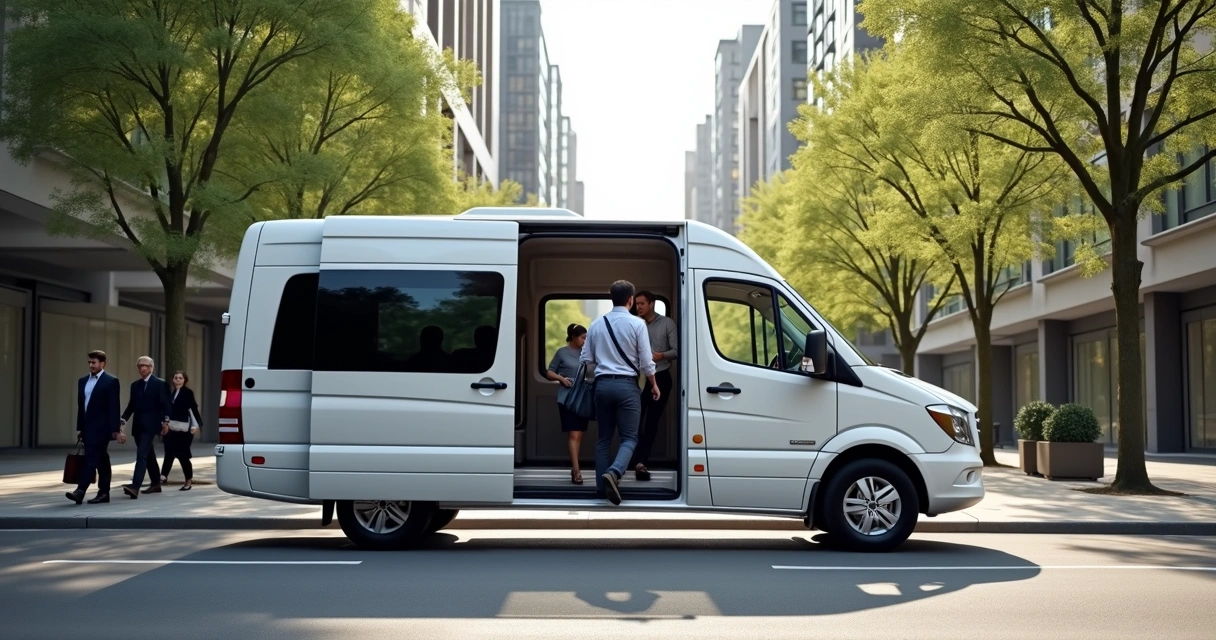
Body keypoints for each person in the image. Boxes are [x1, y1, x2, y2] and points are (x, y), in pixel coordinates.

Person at [580, 280, 660, 505]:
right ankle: (614, 472)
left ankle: (601, 489)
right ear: (631, 300)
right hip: (627, 387)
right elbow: (647, 362)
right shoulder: (637, 324)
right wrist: (654, 384)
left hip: (602, 386)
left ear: (612, 298)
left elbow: (586, 359)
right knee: (630, 437)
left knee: (603, 439)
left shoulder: (596, 324)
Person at [66, 350, 125, 505]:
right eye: (89, 362)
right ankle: (104, 493)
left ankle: (80, 491)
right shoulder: (82, 381)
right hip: (87, 428)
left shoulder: (111, 381)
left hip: (102, 429)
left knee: (91, 458)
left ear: (103, 363)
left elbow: (114, 407)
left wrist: (116, 430)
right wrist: (80, 428)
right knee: (102, 459)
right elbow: (81, 407)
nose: (91, 365)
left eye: (94, 362)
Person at [630, 291, 678, 481]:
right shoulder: (634, 323)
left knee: (651, 421)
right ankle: (633, 459)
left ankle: (642, 461)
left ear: (651, 304)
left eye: (642, 303)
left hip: (660, 376)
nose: (638, 307)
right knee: (634, 421)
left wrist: (661, 355)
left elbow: (676, 351)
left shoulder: (667, 323)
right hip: (637, 378)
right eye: (636, 304)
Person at [120, 356, 170, 499]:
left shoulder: (160, 384)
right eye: (140, 366)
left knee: (141, 455)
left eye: (145, 365)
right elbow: (131, 406)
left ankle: (135, 486)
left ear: (151, 367)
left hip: (152, 425)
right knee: (149, 455)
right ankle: (156, 484)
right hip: (138, 425)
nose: (142, 368)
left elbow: (166, 404)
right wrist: (122, 421)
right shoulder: (135, 385)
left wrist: (166, 421)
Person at [545, 323, 589, 485]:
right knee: (573, 434)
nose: (585, 341)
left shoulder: (587, 353)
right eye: (583, 338)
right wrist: (561, 379)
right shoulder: (562, 352)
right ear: (574, 337)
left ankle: (574, 467)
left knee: (579, 434)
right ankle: (576, 471)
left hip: (583, 398)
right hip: (567, 398)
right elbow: (549, 372)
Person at [161, 370, 203, 491]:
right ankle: (163, 476)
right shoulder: (171, 393)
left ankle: (188, 480)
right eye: (176, 378)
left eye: (180, 378)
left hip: (185, 429)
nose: (178, 380)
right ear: (173, 380)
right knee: (169, 452)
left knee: (183, 455)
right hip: (171, 427)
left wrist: (196, 425)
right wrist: (164, 423)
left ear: (185, 380)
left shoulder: (188, 393)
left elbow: (193, 409)